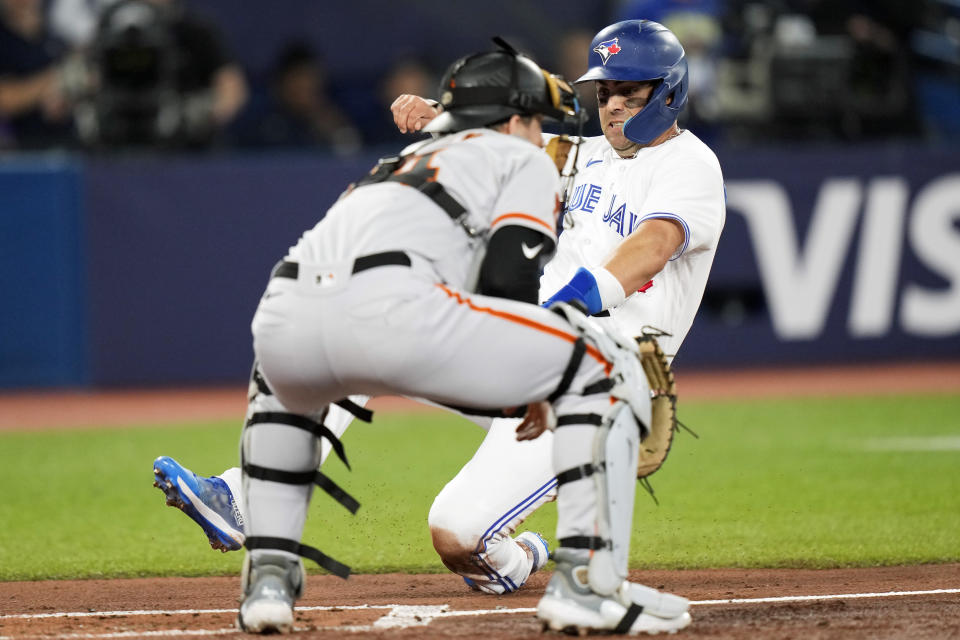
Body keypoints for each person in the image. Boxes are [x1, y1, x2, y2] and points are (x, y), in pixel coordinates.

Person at [154, 19, 723, 633]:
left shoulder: (690, 166)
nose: (611, 104)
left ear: (666, 92)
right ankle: (242, 498)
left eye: (627, 92)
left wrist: (566, 309)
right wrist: (441, 115)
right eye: (604, 90)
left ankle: (512, 557)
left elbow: (652, 245)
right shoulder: (590, 155)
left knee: (455, 533)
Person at [0, 0, 75, 149]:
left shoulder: (56, 38)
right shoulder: (4, 42)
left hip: (67, 147)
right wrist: (52, 81)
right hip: (19, 152)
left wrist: (65, 98)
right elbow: (4, 100)